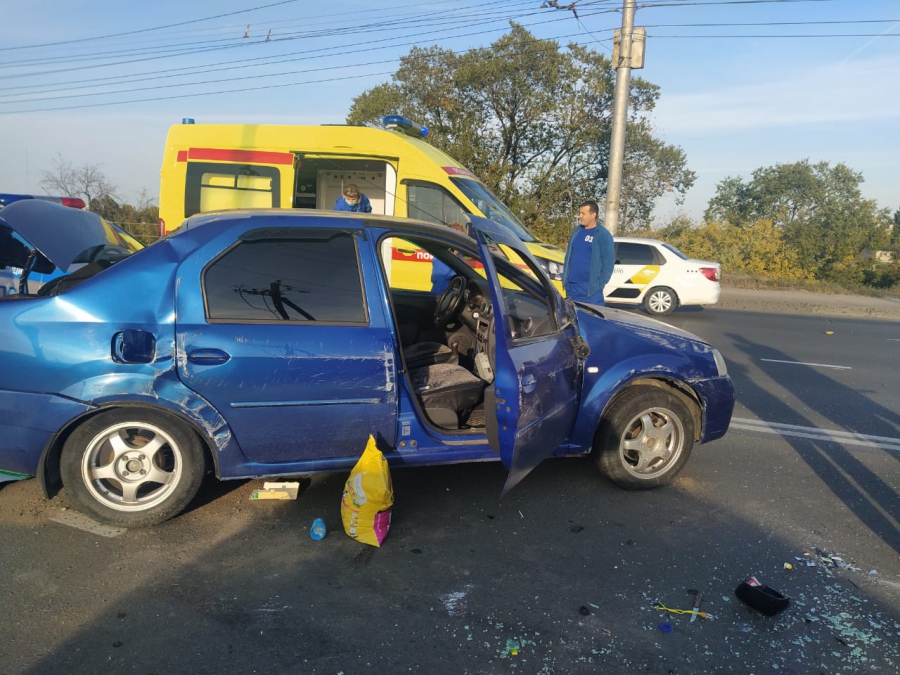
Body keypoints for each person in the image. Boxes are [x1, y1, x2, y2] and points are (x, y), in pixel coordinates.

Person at [562, 200, 615, 305]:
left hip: (590, 289)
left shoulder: (603, 235)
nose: (580, 216)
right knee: (572, 319)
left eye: (583, 213)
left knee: (593, 319)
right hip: (572, 287)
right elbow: (569, 255)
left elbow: (608, 263)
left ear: (593, 215)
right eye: (580, 213)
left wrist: (599, 285)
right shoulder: (577, 232)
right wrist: (566, 280)